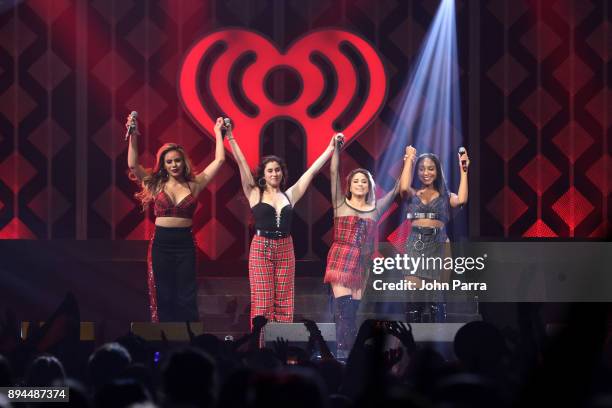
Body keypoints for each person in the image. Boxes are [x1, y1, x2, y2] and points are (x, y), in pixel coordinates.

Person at [227, 123, 336, 325]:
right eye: (270, 170)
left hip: (285, 247)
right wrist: (230, 136)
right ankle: (260, 347)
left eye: (277, 170)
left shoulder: (289, 195)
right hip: (261, 247)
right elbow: (241, 162)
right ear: (263, 174)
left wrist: (330, 148)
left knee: (284, 300)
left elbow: (311, 172)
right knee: (262, 301)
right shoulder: (254, 193)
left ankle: (281, 348)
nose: (275, 174)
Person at [127, 114, 225, 322]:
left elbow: (219, 160)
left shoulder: (195, 184)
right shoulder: (155, 184)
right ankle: (165, 340)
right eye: (169, 161)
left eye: (177, 160)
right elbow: (133, 165)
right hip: (161, 242)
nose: (174, 165)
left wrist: (218, 134)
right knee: (164, 293)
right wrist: (133, 136)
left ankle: (189, 339)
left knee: (186, 294)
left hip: (185, 243)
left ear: (184, 162)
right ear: (163, 164)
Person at [323, 134, 406, 356]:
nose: (360, 184)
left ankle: (351, 353)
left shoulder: (375, 209)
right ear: (349, 185)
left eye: (364, 181)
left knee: (355, 309)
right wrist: (336, 149)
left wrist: (409, 160)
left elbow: (397, 189)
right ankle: (343, 353)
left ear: (369, 186)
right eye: (356, 181)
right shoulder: (340, 203)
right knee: (344, 308)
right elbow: (333, 173)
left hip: (362, 261)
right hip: (341, 256)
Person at [399, 145, 469, 321]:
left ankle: (436, 344)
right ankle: (412, 343)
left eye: (430, 168)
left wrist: (464, 169)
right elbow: (404, 187)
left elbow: (461, 200)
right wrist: (409, 159)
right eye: (422, 169)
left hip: (439, 244)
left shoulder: (445, 195)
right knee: (413, 299)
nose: (426, 173)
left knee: (437, 300)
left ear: (437, 171)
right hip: (416, 244)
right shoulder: (413, 193)